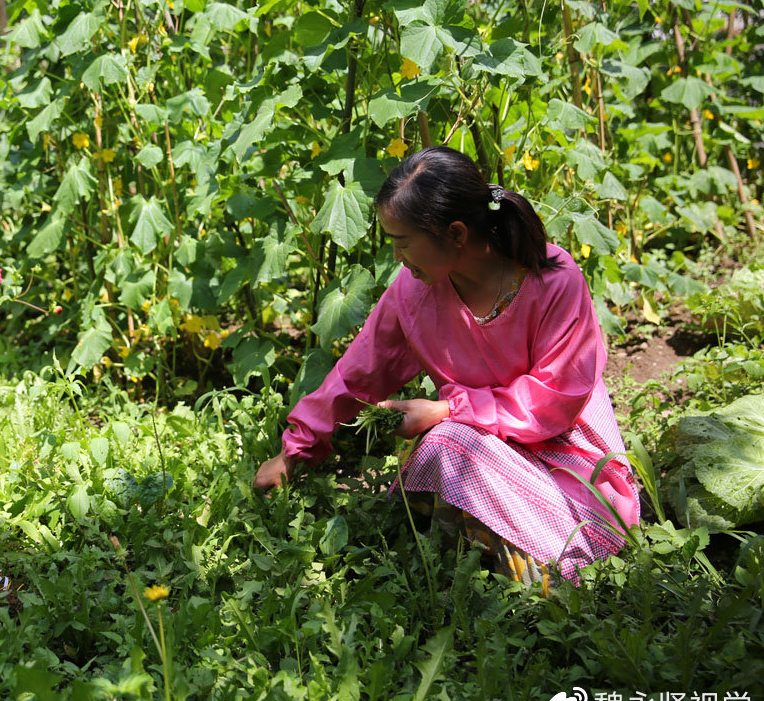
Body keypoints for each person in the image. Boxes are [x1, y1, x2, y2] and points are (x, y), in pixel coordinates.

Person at [254, 146, 640, 593]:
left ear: (456, 234)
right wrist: (294, 451)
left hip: (568, 458)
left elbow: (553, 404)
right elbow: (357, 373)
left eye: (402, 241)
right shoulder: (411, 293)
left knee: (448, 441)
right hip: (483, 453)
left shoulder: (553, 281)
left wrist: (446, 409)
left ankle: (547, 579)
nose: (397, 256)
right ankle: (498, 564)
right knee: (446, 447)